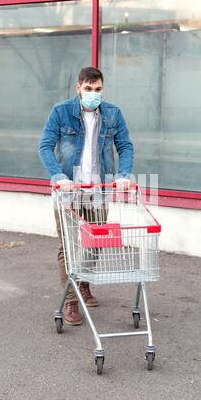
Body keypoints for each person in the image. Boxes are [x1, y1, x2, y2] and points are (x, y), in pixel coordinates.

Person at [39, 66, 134, 326]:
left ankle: (82, 284)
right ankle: (71, 301)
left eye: (98, 89)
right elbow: (45, 146)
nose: (94, 94)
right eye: (89, 89)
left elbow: (125, 145)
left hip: (98, 190)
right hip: (68, 191)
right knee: (68, 247)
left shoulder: (113, 114)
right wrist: (59, 177)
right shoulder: (61, 112)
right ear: (78, 88)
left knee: (95, 242)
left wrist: (123, 174)